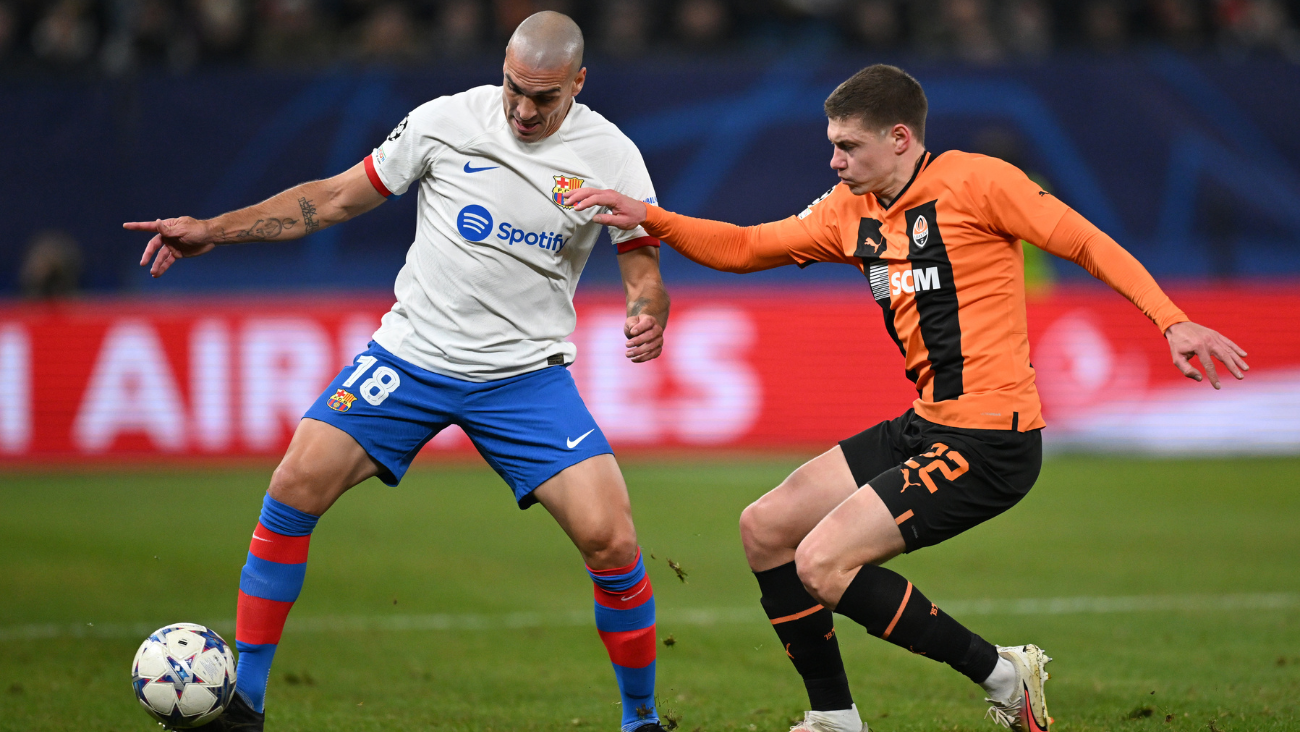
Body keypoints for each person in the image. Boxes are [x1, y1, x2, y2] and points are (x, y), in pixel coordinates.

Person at [568, 64, 1248, 732]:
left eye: (847, 146)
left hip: (992, 441)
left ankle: (1006, 676)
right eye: (831, 144)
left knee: (822, 562)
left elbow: (1086, 242)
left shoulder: (978, 182)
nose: (833, 160)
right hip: (927, 424)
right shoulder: (847, 212)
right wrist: (648, 217)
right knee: (766, 529)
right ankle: (834, 717)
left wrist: (1170, 319)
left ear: (900, 138)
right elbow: (746, 246)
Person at [124, 12, 671, 732]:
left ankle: (640, 720)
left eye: (545, 97)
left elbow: (642, 263)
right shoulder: (445, 122)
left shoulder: (613, 155)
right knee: (293, 485)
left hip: (523, 377)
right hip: (409, 358)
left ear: (579, 82)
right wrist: (215, 232)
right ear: (501, 67)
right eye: (515, 89)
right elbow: (335, 196)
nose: (525, 109)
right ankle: (246, 703)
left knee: (613, 540)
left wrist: (646, 307)